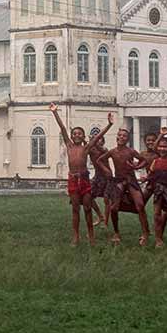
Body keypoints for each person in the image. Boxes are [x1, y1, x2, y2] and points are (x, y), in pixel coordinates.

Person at [49, 103, 114, 246]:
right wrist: (55, 113)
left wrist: (109, 125)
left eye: (79, 134)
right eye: (74, 134)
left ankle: (91, 237)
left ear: (83, 136)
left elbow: (98, 137)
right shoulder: (69, 145)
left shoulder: (86, 148)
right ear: (71, 137)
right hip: (73, 180)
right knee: (75, 210)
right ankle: (76, 236)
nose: (77, 135)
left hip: (84, 180)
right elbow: (63, 128)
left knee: (87, 208)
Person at [97, 128, 151, 245]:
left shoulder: (131, 151)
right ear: (117, 137)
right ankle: (116, 233)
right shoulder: (112, 151)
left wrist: (136, 167)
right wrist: (106, 170)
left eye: (124, 136)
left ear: (128, 139)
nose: (122, 137)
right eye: (120, 135)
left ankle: (145, 232)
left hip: (131, 180)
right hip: (119, 181)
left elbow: (144, 161)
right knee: (113, 208)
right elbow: (99, 160)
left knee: (140, 205)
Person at [87, 139, 111, 227]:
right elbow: (84, 150)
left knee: (106, 199)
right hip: (97, 176)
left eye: (100, 139)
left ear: (103, 142)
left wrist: (93, 142)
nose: (97, 141)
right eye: (96, 139)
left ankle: (106, 222)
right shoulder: (91, 150)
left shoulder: (104, 150)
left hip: (107, 175)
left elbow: (102, 150)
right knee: (88, 196)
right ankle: (100, 216)